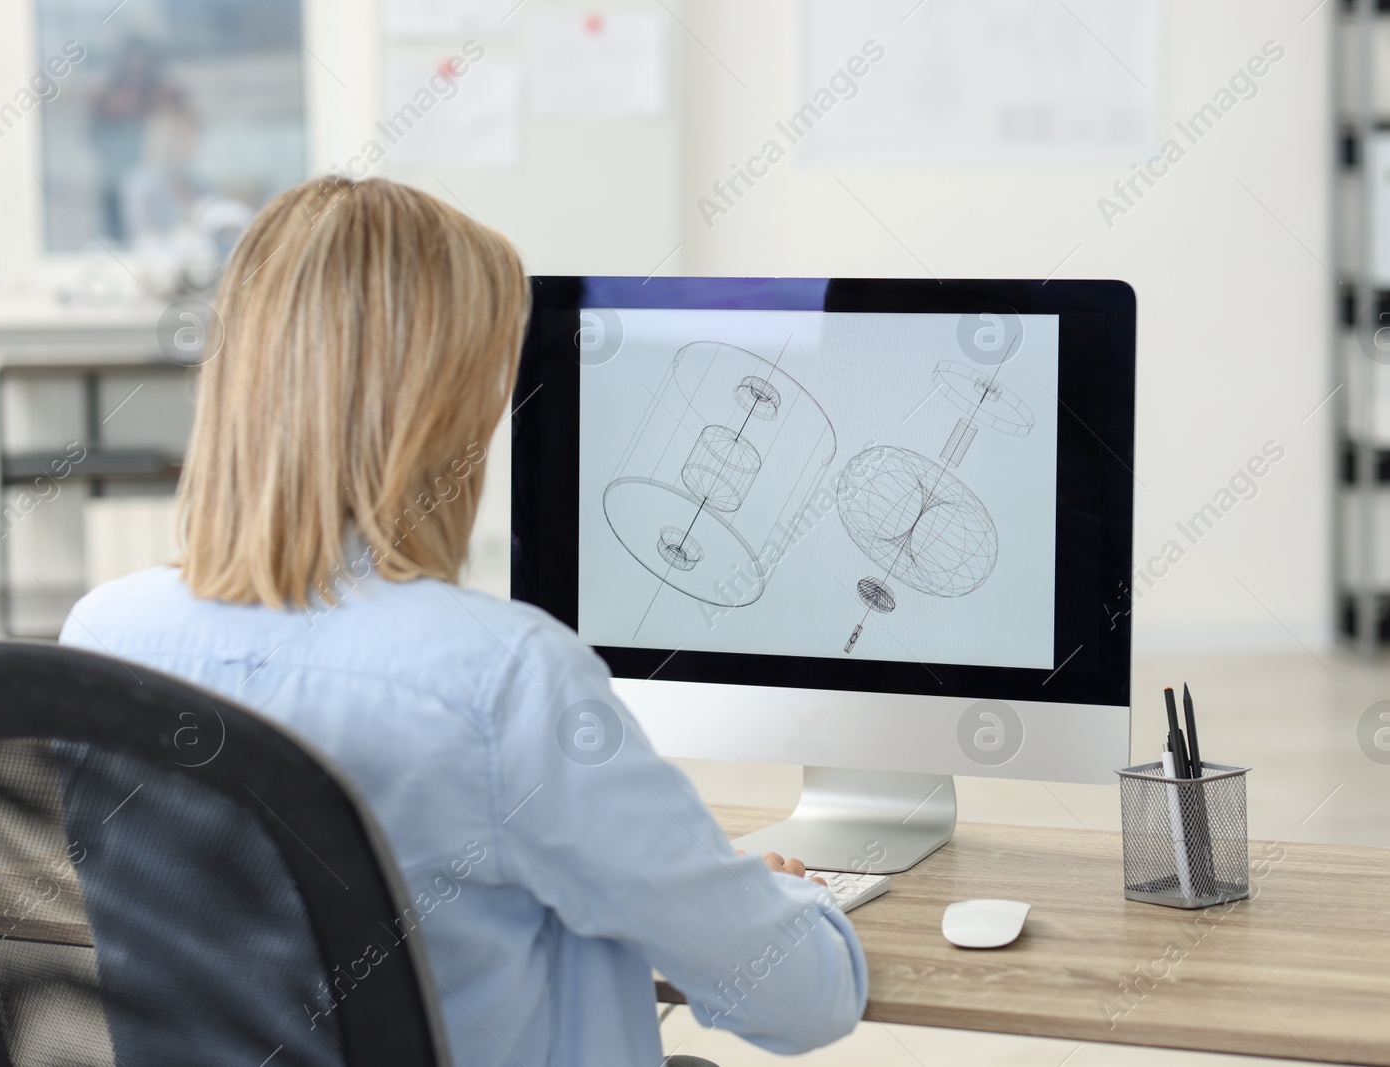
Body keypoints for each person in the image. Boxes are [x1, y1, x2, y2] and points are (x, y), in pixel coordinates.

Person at [61, 175, 867, 1067]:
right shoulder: (503, 680)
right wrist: (787, 905)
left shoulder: (107, 640)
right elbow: (802, 1004)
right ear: (441, 415)